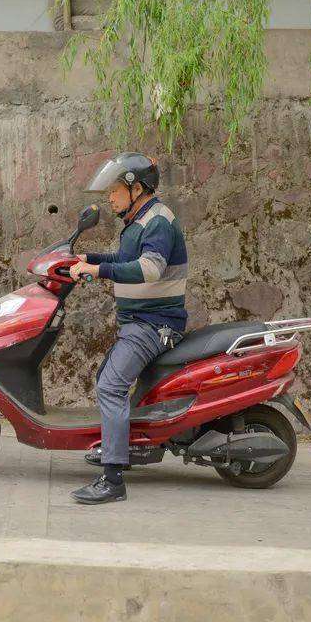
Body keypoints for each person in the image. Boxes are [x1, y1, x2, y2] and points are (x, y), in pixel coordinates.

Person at [68, 152, 189, 504]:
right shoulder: (140, 222)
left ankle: (113, 480)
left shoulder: (158, 223)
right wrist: (88, 259)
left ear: (136, 188)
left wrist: (97, 271)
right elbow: (125, 261)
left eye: (115, 189)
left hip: (154, 324)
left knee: (110, 384)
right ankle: (122, 446)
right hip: (141, 323)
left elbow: (149, 269)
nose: (110, 196)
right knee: (109, 377)